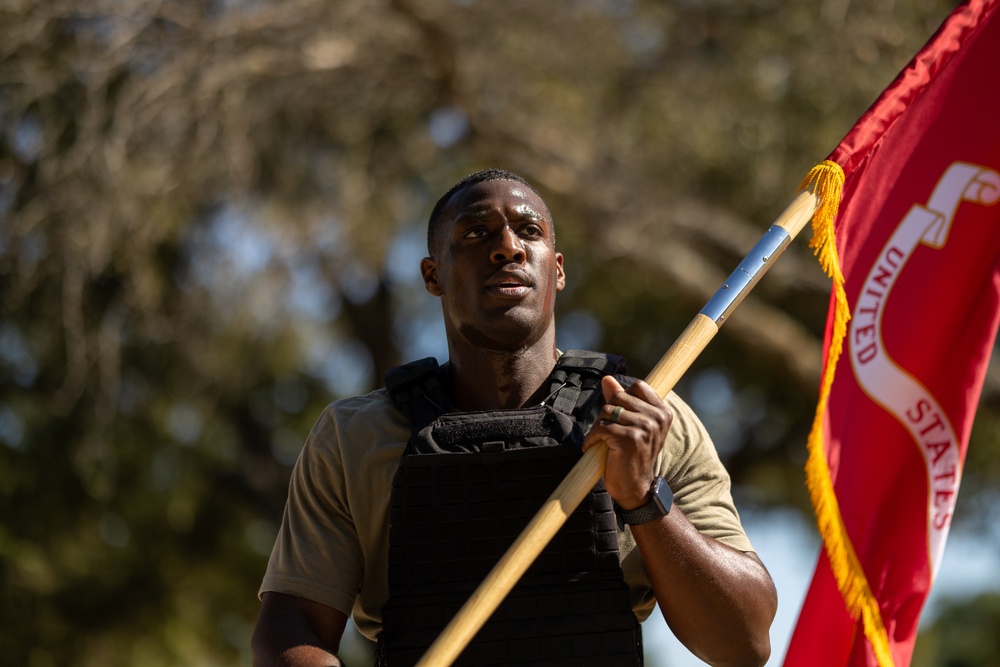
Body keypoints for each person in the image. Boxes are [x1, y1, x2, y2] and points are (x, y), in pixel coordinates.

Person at [251, 169, 778, 667]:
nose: (507, 246)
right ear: (432, 275)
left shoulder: (645, 420)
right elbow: (292, 624)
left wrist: (644, 497)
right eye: (476, 233)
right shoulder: (354, 437)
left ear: (558, 268)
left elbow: (744, 643)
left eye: (529, 230)